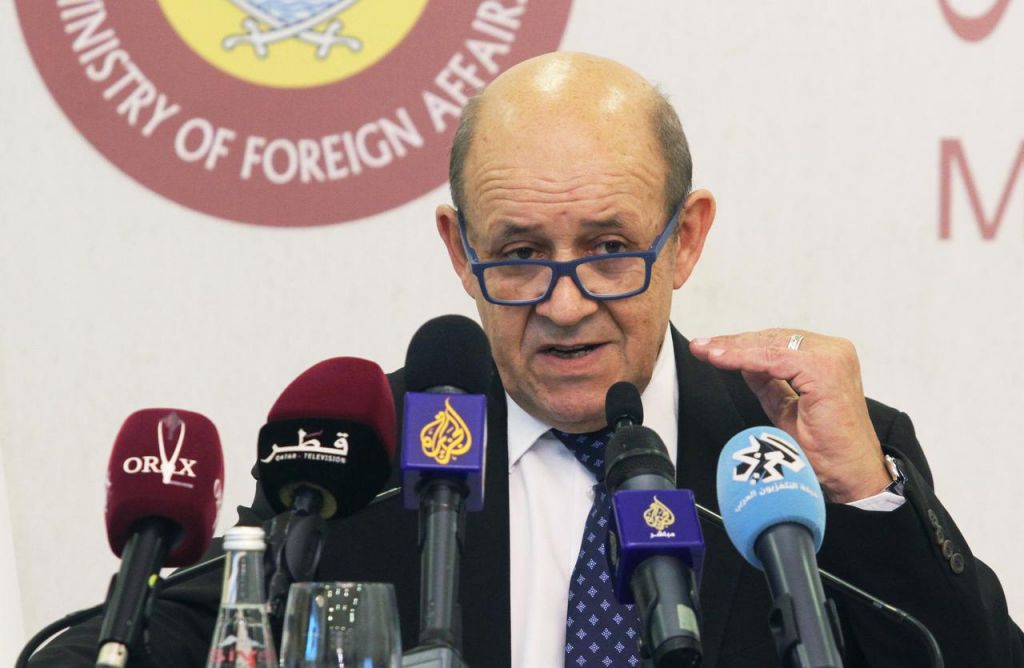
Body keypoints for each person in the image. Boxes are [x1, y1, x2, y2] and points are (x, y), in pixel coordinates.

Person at [29, 52, 1023, 667]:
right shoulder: (364, 453)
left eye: (608, 247)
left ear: (685, 239)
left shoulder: (791, 450)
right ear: (459, 250)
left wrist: (865, 496)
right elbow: (166, 638)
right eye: (516, 254)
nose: (563, 302)